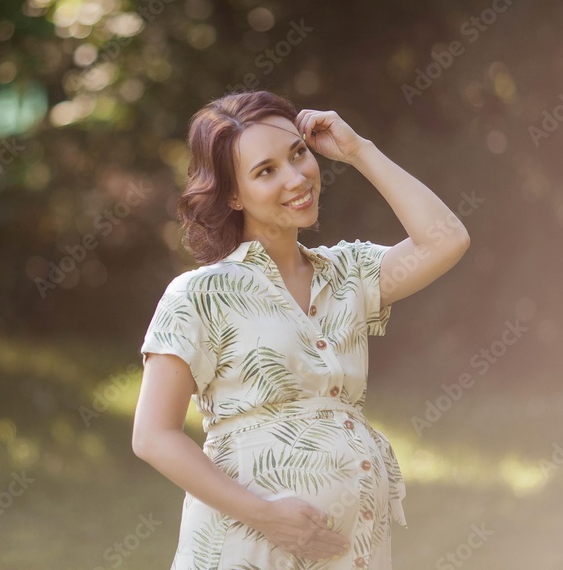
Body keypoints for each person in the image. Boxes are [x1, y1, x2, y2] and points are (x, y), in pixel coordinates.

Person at [132, 90, 470, 569]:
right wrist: (267, 516)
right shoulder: (200, 294)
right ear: (232, 194)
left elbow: (447, 239)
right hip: (248, 548)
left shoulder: (348, 273)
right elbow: (153, 436)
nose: (296, 178)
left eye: (298, 154)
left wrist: (359, 152)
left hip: (355, 550)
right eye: (265, 170)